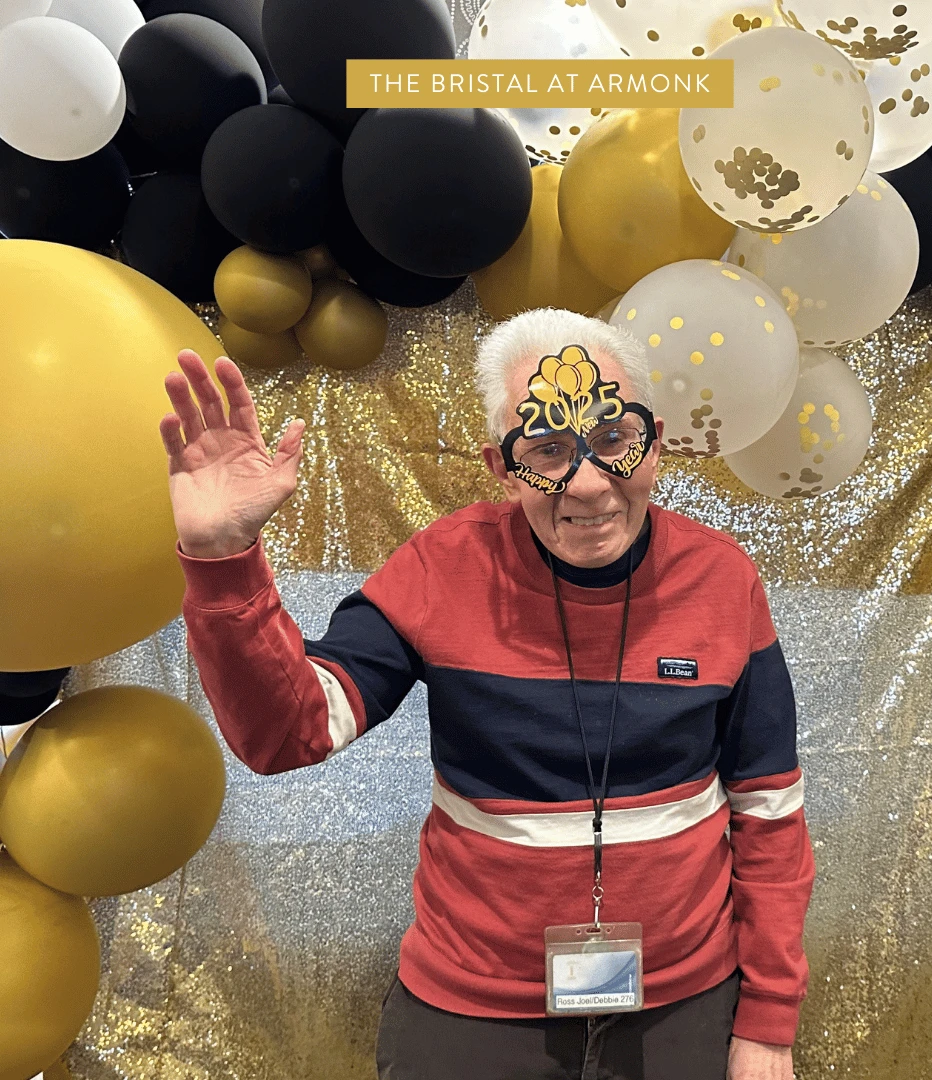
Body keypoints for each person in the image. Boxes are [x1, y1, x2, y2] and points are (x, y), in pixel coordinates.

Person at [162, 308, 815, 1080]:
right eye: (547, 449)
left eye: (613, 439)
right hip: (474, 1006)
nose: (588, 484)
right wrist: (222, 555)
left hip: (685, 1002)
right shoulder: (441, 569)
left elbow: (769, 809)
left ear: (655, 442)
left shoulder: (723, 578)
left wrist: (769, 1019)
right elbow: (287, 732)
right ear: (501, 467)